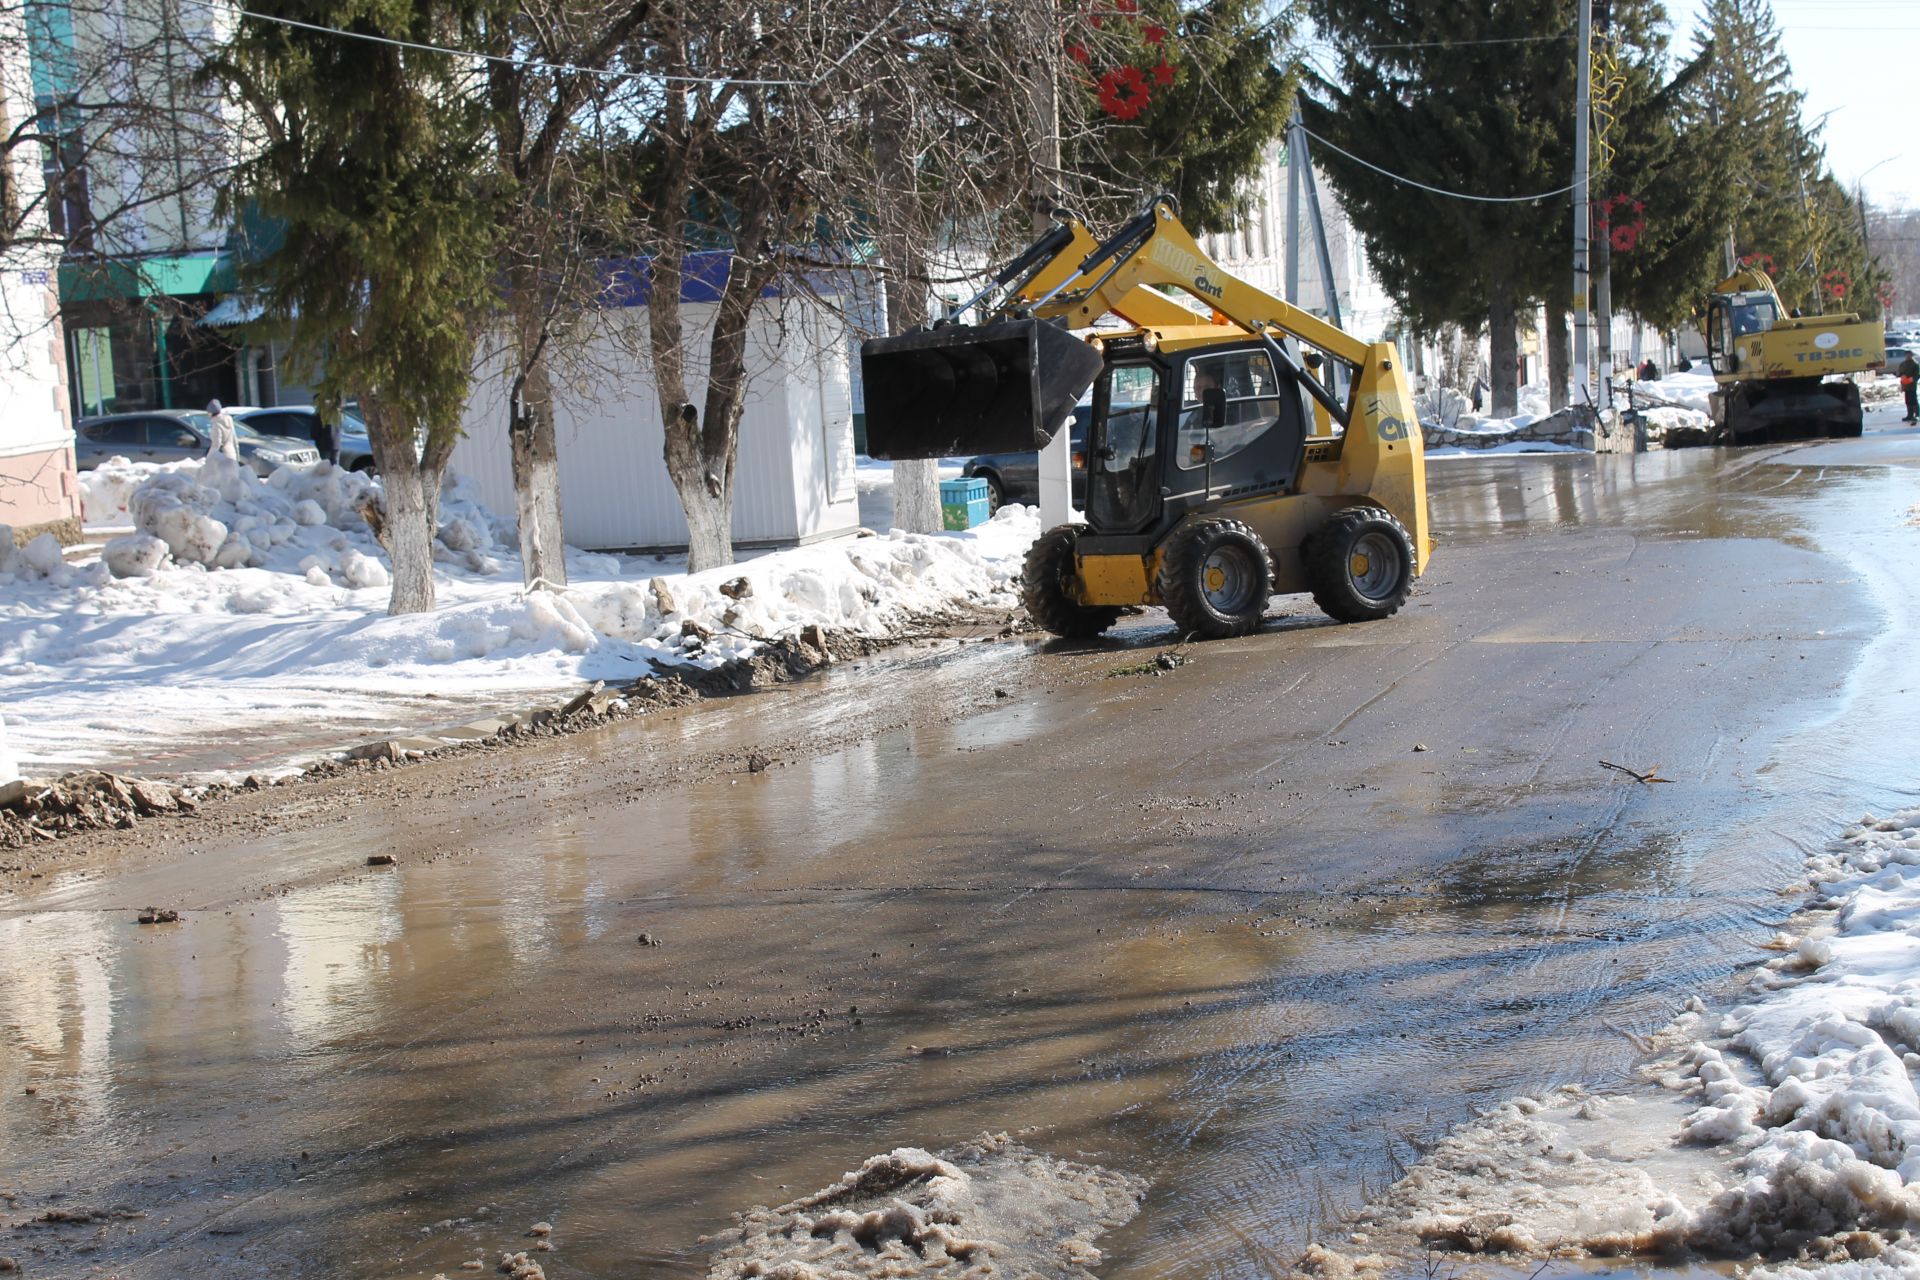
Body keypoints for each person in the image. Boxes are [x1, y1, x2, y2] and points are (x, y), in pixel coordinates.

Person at [1899, 350, 1919, 425]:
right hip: (1905, 385)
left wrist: (1912, 379)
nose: (1908, 356)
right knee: (1907, 400)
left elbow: (1917, 375)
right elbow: (1899, 372)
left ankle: (1917, 414)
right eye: (1907, 355)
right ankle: (1909, 415)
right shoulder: (1903, 364)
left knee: (1913, 400)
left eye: (1909, 355)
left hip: (1912, 385)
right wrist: (1902, 376)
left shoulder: (1915, 364)